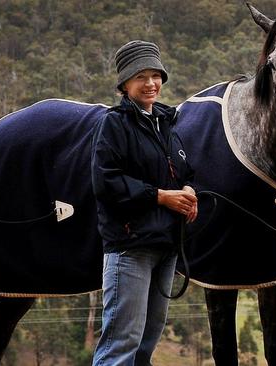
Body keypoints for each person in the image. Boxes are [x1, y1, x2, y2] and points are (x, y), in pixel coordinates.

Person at [91, 40, 198, 365]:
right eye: (141, 76)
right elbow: (105, 182)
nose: (150, 83)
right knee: (121, 347)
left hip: (165, 248)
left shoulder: (167, 122)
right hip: (130, 247)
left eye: (155, 75)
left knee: (144, 347)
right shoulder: (114, 124)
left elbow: (181, 170)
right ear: (125, 84)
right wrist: (161, 196)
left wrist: (189, 190)